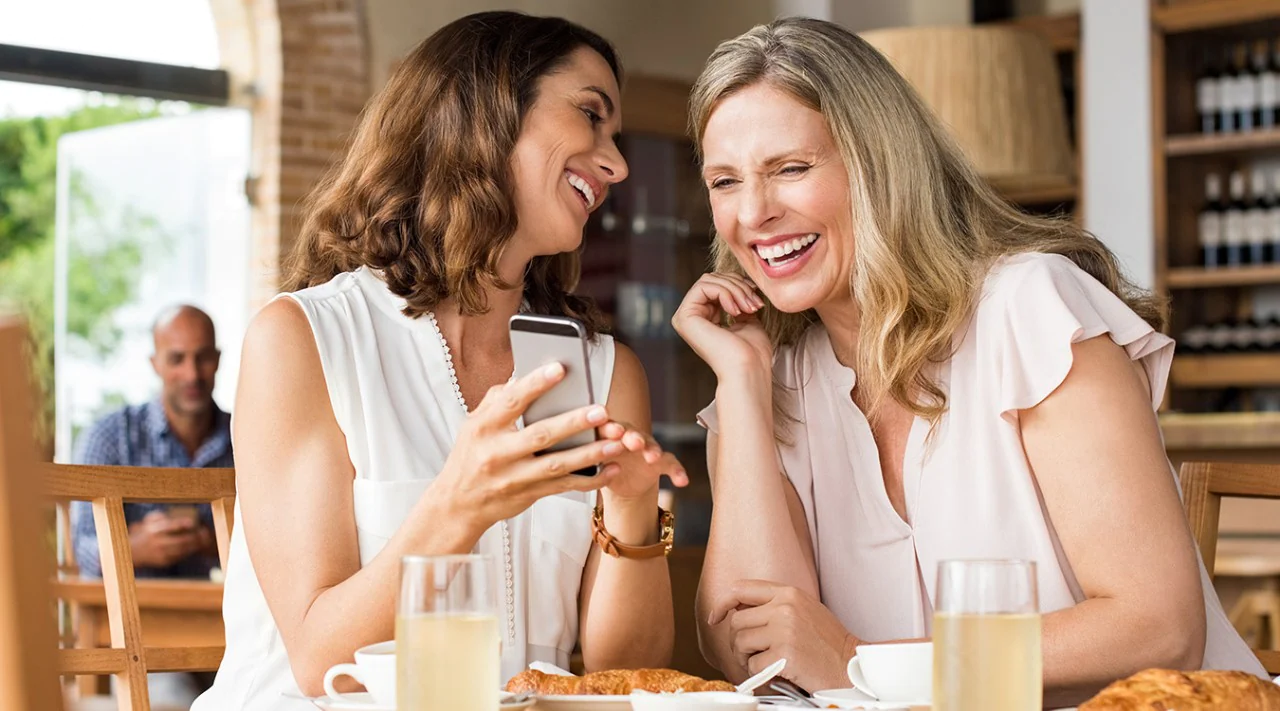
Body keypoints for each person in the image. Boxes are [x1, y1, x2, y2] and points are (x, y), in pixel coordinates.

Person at [671, 17, 1265, 707]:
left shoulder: (1029, 307)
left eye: (791, 169)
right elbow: (754, 652)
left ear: (880, 164)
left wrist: (860, 662)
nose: (753, 213)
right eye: (725, 181)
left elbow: (1158, 627)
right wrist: (743, 385)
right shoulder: (769, 383)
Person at [193, 12, 687, 710]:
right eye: (589, 114)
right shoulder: (304, 339)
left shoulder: (605, 374)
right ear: (488, 109)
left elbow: (622, 672)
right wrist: (458, 505)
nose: (618, 163)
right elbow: (318, 661)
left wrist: (632, 507)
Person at [71, 304, 226, 581]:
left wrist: (210, 540)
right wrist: (132, 549)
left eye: (202, 358)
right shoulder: (109, 436)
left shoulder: (245, 438)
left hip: (210, 605)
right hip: (124, 604)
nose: (192, 374)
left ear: (217, 360)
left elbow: (275, 542)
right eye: (177, 359)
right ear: (155, 364)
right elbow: (82, 546)